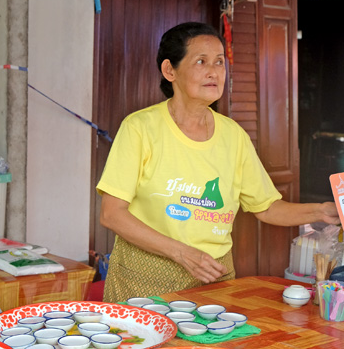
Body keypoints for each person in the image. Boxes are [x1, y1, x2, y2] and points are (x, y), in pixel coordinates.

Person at [97, 21, 339, 302]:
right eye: (201, 61)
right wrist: (182, 252)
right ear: (169, 70)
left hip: (213, 278)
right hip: (145, 281)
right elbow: (112, 213)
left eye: (220, 62)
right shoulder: (140, 128)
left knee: (211, 347)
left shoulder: (233, 136)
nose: (214, 72)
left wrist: (322, 211)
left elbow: (267, 207)